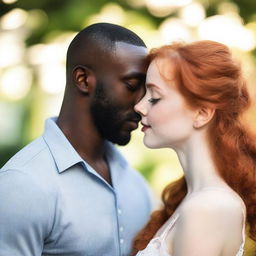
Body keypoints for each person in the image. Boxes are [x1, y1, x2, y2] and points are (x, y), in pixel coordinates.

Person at [0, 23, 152, 256]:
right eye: (132, 86)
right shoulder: (23, 184)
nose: (143, 105)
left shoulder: (136, 184)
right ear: (83, 80)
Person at [133, 40, 256, 256]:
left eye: (154, 97)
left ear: (202, 114)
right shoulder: (198, 201)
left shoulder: (207, 209)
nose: (139, 106)